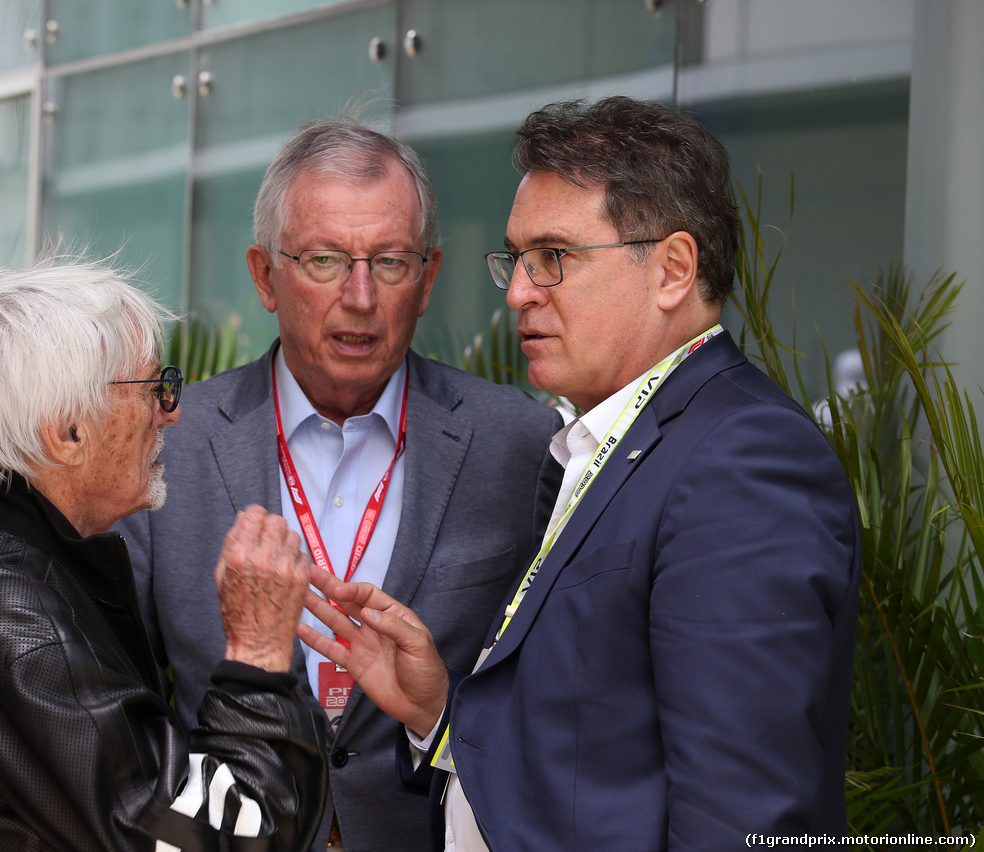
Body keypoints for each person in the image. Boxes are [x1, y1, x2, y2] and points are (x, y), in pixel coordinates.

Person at [299, 96, 862, 851]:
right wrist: (439, 715)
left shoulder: (743, 461)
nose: (519, 291)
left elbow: (741, 817)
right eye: (518, 258)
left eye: (554, 257)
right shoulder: (617, 439)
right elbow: (598, 759)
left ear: (672, 269)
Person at [116, 120, 562, 851]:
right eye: (325, 260)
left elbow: (558, 707)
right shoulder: (172, 439)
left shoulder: (517, 445)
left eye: (389, 262)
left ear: (428, 279)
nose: (360, 296)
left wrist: (439, 715)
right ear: (265, 275)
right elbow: (117, 714)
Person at [0, 256, 328, 851]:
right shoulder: (12, 616)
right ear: (67, 432)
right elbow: (225, 838)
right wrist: (256, 658)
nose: (171, 411)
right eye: (155, 388)